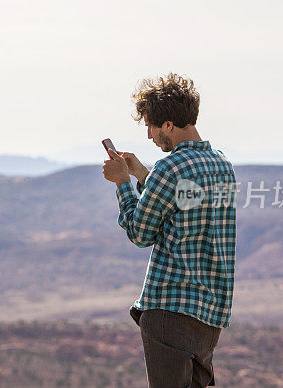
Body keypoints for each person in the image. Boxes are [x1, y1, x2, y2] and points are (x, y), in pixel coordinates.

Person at [102, 73, 237, 387]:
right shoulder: (221, 164)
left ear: (167, 124)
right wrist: (140, 173)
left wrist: (123, 182)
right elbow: (186, 202)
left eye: (150, 125)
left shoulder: (170, 167)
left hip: (170, 310)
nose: (149, 135)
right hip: (210, 315)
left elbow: (140, 233)